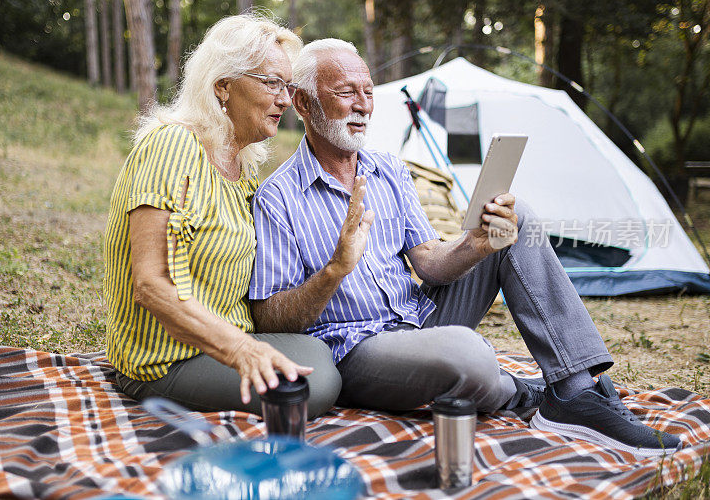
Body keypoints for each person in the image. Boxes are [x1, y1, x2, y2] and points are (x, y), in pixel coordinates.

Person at [248, 38, 682, 457]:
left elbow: (429, 264)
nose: (363, 104)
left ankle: (574, 392)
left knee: (518, 218)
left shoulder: (389, 170)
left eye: (367, 91)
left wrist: (476, 244)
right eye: (346, 93)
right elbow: (269, 316)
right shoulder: (278, 197)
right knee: (468, 353)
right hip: (358, 349)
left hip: (422, 318)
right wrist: (335, 269)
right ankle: (518, 391)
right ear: (304, 103)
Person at [103, 15, 341, 419]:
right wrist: (241, 350)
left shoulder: (242, 167)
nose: (285, 100)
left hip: (222, 340)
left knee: (324, 353)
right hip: (164, 360)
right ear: (223, 86)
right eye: (272, 83)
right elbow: (150, 282)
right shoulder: (174, 147)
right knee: (311, 386)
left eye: (288, 86)